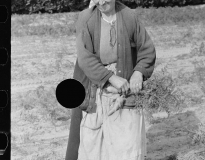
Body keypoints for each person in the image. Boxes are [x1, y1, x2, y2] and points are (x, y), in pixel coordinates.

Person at [65, 0, 156, 159]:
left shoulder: (129, 17)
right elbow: (85, 59)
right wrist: (111, 78)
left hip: (125, 90)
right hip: (96, 86)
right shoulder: (86, 18)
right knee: (94, 144)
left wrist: (138, 73)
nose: (101, 2)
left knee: (126, 144)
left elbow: (146, 50)